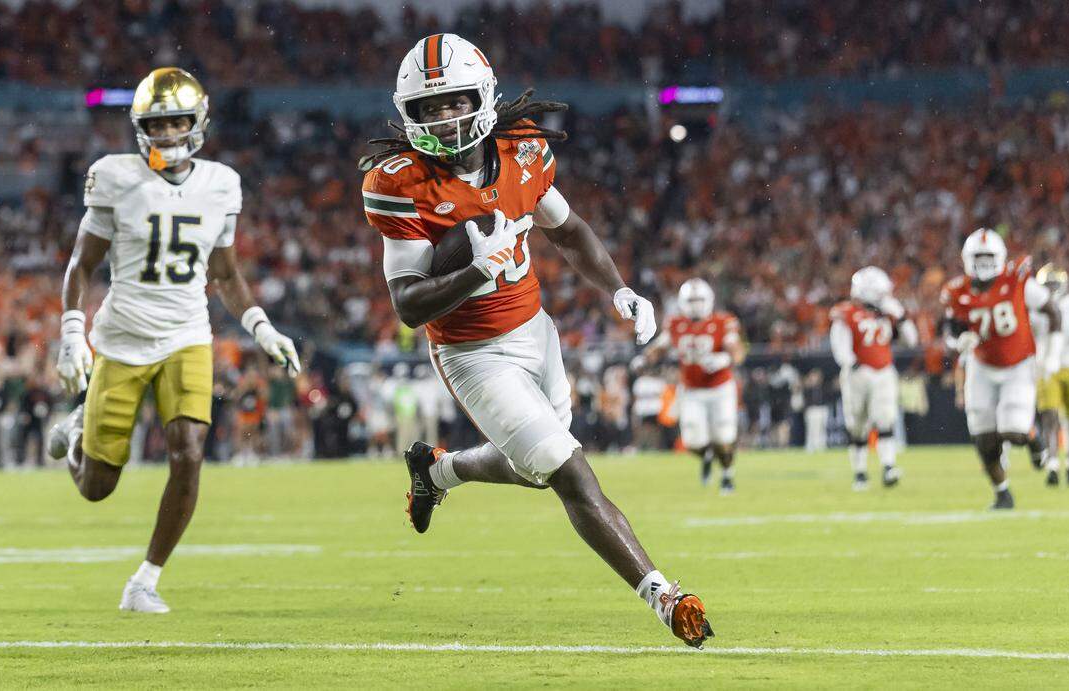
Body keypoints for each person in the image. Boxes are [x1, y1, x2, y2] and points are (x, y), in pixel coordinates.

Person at [361, 34, 712, 648]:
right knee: (569, 471)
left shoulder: (523, 152)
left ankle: (439, 474)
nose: (444, 117)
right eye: (429, 108)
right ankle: (665, 596)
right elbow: (409, 305)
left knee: (536, 471)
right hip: (472, 355)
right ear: (407, 114)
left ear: (484, 97)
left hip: (536, 332)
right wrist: (477, 273)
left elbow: (569, 231)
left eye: (455, 101)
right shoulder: (400, 185)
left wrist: (620, 291)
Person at [47, 67, 300, 613]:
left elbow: (227, 276)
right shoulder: (113, 176)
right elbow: (80, 264)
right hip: (121, 337)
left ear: (197, 123)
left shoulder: (221, 183)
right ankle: (75, 433)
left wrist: (262, 326)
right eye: (157, 125)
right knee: (96, 487)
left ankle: (144, 581)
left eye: (177, 122)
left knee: (188, 453)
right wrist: (71, 331)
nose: (167, 135)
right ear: (140, 128)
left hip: (187, 335)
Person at [940, 229, 1060, 509]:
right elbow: (950, 330)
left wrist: (1050, 355)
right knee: (983, 437)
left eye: (988, 257)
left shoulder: (1017, 281)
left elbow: (1052, 311)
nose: (983, 263)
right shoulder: (958, 290)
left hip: (1017, 364)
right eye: (978, 258)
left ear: (1000, 257)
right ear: (968, 259)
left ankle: (1032, 437)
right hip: (981, 366)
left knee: (1013, 431)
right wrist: (959, 341)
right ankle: (1002, 492)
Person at [643, 278, 745, 493]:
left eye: (700, 299)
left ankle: (727, 475)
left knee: (724, 436)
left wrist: (724, 359)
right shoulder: (675, 323)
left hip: (720, 388)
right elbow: (660, 347)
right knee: (693, 442)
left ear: (709, 300)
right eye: (692, 300)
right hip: (691, 390)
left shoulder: (723, 321)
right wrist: (645, 358)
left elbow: (736, 348)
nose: (696, 304)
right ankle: (707, 455)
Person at [829, 267, 918, 490]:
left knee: (885, 419)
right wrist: (853, 364)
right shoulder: (846, 312)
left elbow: (912, 340)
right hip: (858, 374)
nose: (884, 297)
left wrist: (901, 317)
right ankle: (860, 473)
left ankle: (888, 467)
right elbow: (840, 347)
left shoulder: (887, 313)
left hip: (884, 372)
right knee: (857, 425)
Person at [1031, 264, 1069, 487]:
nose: (1051, 289)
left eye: (1054, 284)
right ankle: (1052, 465)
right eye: (1047, 284)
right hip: (1046, 370)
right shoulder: (1035, 309)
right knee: (1050, 417)